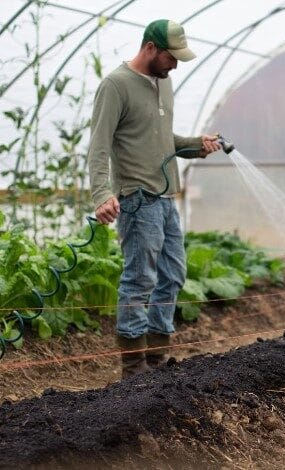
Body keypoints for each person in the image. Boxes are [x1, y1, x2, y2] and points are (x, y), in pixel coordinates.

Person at [87, 19, 222, 379]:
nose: (175, 64)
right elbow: (99, 147)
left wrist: (197, 145)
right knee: (139, 279)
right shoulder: (116, 86)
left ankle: (157, 362)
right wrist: (102, 194)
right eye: (171, 57)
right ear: (150, 48)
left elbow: (163, 141)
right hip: (137, 199)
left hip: (165, 199)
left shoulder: (164, 84)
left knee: (173, 274)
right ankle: (133, 369)